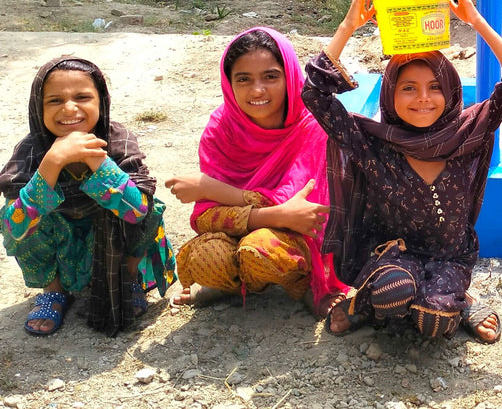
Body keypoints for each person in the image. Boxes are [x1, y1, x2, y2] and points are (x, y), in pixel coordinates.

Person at [302, 0, 502, 343]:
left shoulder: (469, 131)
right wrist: (349, 25)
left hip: (450, 257)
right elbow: (315, 94)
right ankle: (365, 302)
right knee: (393, 290)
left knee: (434, 320)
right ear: (390, 94)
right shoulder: (371, 143)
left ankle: (459, 301)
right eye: (408, 88)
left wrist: (475, 21)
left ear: (451, 91)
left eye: (434, 87)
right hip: (393, 255)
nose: (423, 99)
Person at [165, 28, 344, 315]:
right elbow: (207, 217)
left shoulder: (312, 127)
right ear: (229, 83)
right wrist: (268, 214)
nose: (257, 90)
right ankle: (230, 285)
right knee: (206, 257)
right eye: (243, 79)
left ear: (290, 78)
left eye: (270, 77)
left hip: (297, 233)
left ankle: (303, 283)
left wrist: (208, 187)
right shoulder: (221, 129)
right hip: (253, 225)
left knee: (261, 249)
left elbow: (302, 211)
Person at [0, 57, 176, 337]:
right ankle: (54, 291)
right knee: (19, 215)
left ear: (101, 102)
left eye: (82, 97)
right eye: (54, 100)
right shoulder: (31, 150)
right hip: (59, 238)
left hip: (105, 236)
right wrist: (51, 164)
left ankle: (128, 279)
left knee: (149, 207)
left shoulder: (117, 139)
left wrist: (98, 162)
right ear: (38, 108)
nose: (69, 108)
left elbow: (137, 211)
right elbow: (14, 228)